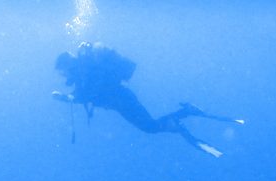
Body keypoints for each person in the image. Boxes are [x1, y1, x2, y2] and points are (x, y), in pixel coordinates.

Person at [53, 42, 242, 158]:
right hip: (122, 99)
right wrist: (68, 97)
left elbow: (86, 95)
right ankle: (182, 116)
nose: (64, 75)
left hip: (122, 100)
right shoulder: (85, 73)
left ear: (67, 65)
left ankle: (183, 116)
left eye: (62, 71)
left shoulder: (85, 73)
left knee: (149, 127)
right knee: (149, 126)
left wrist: (64, 98)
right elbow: (85, 94)